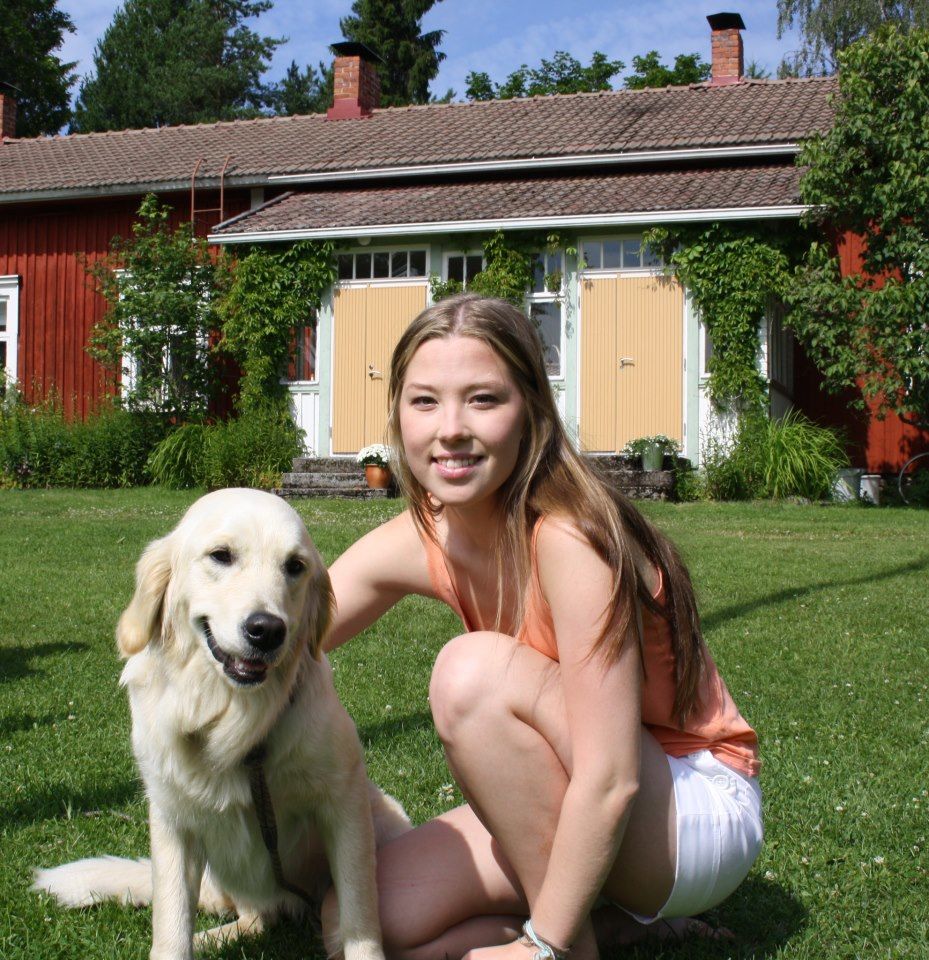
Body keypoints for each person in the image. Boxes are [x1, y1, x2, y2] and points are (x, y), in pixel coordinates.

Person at [322, 293, 762, 960]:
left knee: (471, 675)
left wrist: (546, 945)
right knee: (356, 922)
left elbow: (611, 777)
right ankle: (614, 927)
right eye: (425, 401)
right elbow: (290, 630)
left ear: (530, 409)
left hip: (688, 809)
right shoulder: (425, 535)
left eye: (483, 399)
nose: (450, 429)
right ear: (398, 414)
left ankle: (562, 942)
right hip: (583, 782)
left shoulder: (568, 537)